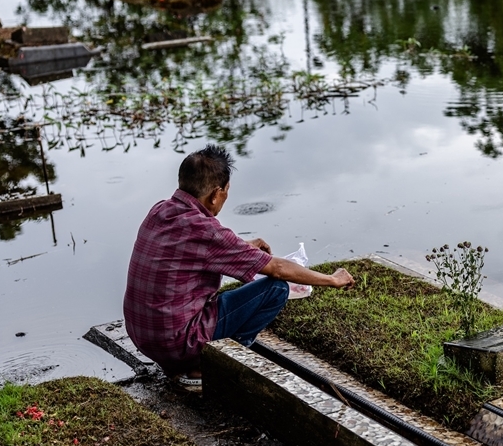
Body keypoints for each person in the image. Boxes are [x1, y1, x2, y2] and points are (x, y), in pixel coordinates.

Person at [123, 144, 354, 381]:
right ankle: (209, 366)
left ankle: (186, 363)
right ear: (215, 194)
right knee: (276, 289)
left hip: (143, 337)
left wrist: (243, 246)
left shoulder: (159, 211)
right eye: (226, 191)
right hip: (177, 343)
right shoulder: (207, 231)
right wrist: (332, 279)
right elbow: (278, 268)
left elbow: (194, 249)